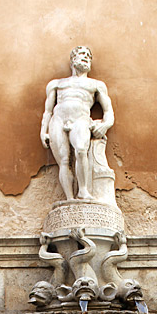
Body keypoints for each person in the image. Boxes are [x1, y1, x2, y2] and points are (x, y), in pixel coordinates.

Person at [40, 46, 114, 200]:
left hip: (81, 118)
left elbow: (108, 111)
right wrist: (43, 130)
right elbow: (48, 111)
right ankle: (70, 198)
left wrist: (105, 125)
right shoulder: (56, 84)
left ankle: (83, 191)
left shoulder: (96, 85)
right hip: (58, 120)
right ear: (73, 59)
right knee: (64, 161)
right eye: (82, 54)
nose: (86, 57)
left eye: (89, 56)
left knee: (81, 150)